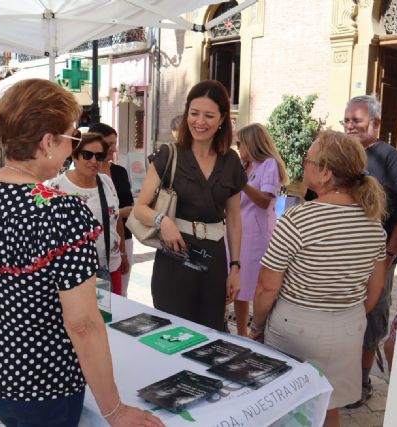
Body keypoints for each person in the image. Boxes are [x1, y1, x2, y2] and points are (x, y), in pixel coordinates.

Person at [0, 78, 163, 427]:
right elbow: (82, 323)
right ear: (48, 142)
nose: (72, 147)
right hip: (42, 385)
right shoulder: (60, 210)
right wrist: (114, 410)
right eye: (71, 137)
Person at [249, 130, 388, 427]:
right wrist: (347, 313)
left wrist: (257, 325)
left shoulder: (299, 220)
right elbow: (375, 286)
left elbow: (266, 287)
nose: (303, 165)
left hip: (297, 328)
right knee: (328, 406)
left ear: (325, 173)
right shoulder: (373, 222)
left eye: (307, 160)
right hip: (348, 327)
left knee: (286, 409)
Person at [133, 80, 247, 331]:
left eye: (209, 115)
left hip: (214, 259)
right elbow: (140, 208)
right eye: (194, 114)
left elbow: (235, 218)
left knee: (211, 333)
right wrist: (164, 221)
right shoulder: (169, 154)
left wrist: (235, 266)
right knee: (171, 332)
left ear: (222, 119)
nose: (200, 122)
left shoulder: (231, 161)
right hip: (175, 257)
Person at [342, 95, 397, 407]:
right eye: (347, 120)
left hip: (376, 260)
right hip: (342, 256)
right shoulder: (342, 155)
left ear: (376, 124)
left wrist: (388, 256)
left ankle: (361, 382)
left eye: (356, 120)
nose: (350, 126)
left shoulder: (390, 158)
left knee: (371, 320)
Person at [46, 132, 125, 296]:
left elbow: (115, 220)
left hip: (110, 265)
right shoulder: (55, 187)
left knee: (112, 318)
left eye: (99, 156)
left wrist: (123, 252)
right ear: (74, 156)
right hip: (74, 272)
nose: (94, 161)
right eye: (87, 155)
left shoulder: (106, 182)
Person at [233, 123, 288, 336]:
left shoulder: (268, 165)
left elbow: (265, 200)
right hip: (239, 235)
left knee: (257, 286)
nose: (237, 147)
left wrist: (242, 183)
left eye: (240, 142)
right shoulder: (245, 165)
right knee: (239, 286)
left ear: (252, 142)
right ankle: (241, 334)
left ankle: (259, 332)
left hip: (256, 237)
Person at [89, 123, 133, 297]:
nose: (114, 149)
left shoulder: (119, 172)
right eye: (109, 144)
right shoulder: (76, 178)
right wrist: (117, 213)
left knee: (120, 293)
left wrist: (122, 251)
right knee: (98, 297)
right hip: (95, 244)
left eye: (115, 143)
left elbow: (128, 203)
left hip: (123, 236)